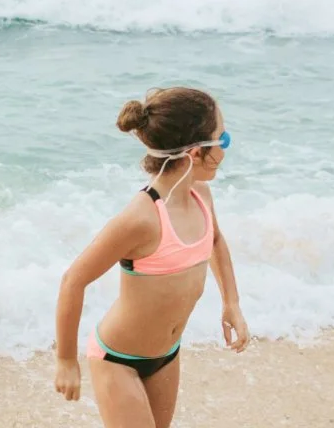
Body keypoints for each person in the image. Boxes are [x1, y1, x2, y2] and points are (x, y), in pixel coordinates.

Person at [54, 87, 250, 427]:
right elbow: (74, 280)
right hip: (118, 360)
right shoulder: (141, 219)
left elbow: (215, 241)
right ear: (194, 153)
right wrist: (66, 360)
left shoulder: (200, 195)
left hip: (166, 355)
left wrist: (231, 302)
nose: (225, 147)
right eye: (223, 139)